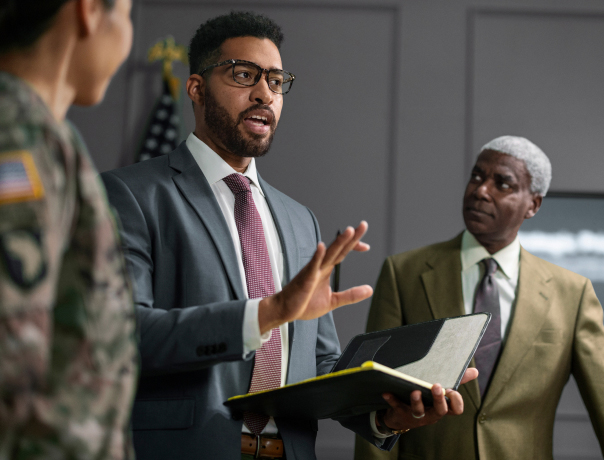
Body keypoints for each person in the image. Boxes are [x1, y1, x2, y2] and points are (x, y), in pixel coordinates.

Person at [100, 11, 475, 460]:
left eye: (276, 81)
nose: (264, 93)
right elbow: (124, 334)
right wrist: (268, 313)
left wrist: (388, 413)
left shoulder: (300, 220)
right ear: (196, 88)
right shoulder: (130, 195)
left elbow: (316, 367)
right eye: (244, 75)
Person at [356, 135, 604, 460]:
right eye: (477, 176)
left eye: (502, 184)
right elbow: (376, 400)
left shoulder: (572, 294)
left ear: (533, 204)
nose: (480, 190)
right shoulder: (403, 273)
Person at [0, 0, 138, 459]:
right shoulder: (19, 135)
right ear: (89, 11)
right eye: (127, 14)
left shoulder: (42, 131)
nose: (126, 35)